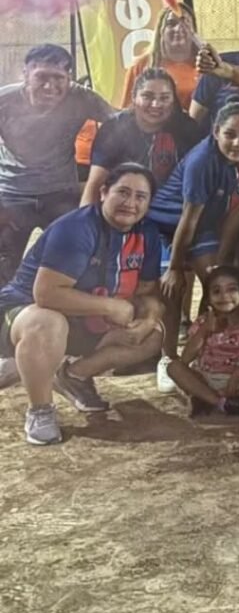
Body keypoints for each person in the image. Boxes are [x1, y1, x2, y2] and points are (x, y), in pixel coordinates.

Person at [0, 163, 164, 445]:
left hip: (81, 318)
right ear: (103, 192)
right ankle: (40, 409)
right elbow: (47, 295)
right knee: (47, 323)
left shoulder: (146, 233)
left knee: (152, 334)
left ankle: (72, 375)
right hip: (23, 313)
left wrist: (148, 319)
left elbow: (149, 292)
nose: (131, 203)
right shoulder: (77, 227)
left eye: (141, 196)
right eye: (123, 193)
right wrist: (112, 307)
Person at [147, 102, 239, 390]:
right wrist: (177, 268)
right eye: (230, 134)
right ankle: (167, 358)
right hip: (167, 226)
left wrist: (221, 260)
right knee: (173, 287)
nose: (238, 143)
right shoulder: (202, 160)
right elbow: (187, 219)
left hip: (204, 226)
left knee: (217, 283)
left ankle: (213, 351)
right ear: (216, 132)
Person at [0, 44, 113, 286]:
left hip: (61, 192)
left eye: (58, 78)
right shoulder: (5, 101)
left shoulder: (81, 98)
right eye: (41, 77)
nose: (50, 86)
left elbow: (122, 123)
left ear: (69, 78)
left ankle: (69, 317)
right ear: (25, 74)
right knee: (4, 264)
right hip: (12, 196)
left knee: (74, 259)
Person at [82, 69, 201, 203]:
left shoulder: (188, 129)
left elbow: (198, 183)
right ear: (134, 97)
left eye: (164, 98)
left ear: (173, 101)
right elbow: (95, 184)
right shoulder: (114, 128)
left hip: (171, 207)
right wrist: (85, 220)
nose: (156, 104)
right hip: (125, 205)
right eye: (147, 96)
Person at [167, 264, 239, 416]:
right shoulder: (203, 322)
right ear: (208, 299)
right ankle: (223, 403)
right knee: (174, 367)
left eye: (232, 289)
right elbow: (185, 359)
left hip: (236, 380)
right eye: (216, 291)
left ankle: (206, 400)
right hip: (204, 378)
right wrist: (206, 329)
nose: (224, 296)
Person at [119, 3, 201, 109]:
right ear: (161, 30)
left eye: (185, 22)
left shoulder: (207, 64)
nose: (178, 28)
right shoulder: (142, 65)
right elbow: (127, 112)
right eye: (171, 23)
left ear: (193, 29)